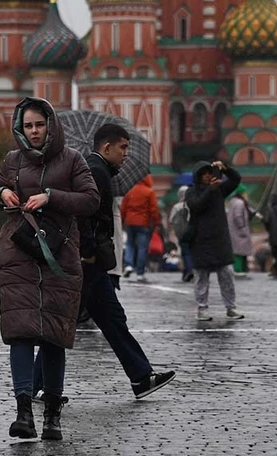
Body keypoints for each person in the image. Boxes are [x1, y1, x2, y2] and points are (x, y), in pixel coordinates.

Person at [33, 123, 175, 403]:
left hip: (94, 263)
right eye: (122, 147)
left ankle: (141, 377)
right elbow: (84, 214)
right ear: (106, 147)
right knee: (64, 323)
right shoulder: (96, 171)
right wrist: (87, 252)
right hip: (87, 261)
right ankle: (37, 386)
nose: (125, 153)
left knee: (112, 320)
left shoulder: (98, 170)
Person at [0, 97, 99, 441]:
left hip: (59, 256)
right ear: (20, 129)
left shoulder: (72, 159)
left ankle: (52, 414)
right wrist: (4, 192)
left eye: (39, 125)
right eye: (28, 126)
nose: (34, 132)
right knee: (20, 332)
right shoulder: (12, 160)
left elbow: (91, 199)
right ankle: (24, 411)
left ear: (51, 125)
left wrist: (51, 196)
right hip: (18, 253)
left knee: (53, 335)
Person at [185, 160, 244, 321]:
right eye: (203, 174)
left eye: (209, 172)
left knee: (227, 275)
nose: (206, 176)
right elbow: (196, 206)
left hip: (219, 240)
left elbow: (236, 180)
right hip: (200, 240)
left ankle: (231, 307)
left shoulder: (220, 190)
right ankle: (202, 308)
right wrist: (210, 190)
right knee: (201, 277)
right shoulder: (191, 192)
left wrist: (225, 169)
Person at [120, 175, 160, 281]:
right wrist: (156, 222)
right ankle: (140, 273)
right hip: (143, 222)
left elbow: (123, 207)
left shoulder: (130, 191)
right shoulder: (149, 192)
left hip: (130, 221)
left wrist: (122, 220)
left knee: (130, 244)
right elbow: (153, 209)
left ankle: (128, 265)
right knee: (142, 248)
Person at [227, 185, 256, 276]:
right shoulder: (240, 203)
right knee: (239, 251)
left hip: (234, 231)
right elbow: (238, 216)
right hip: (239, 232)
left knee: (237, 250)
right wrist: (243, 228)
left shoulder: (233, 201)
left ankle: (241, 269)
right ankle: (238, 270)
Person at [168, 186, 194, 281]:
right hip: (193, 230)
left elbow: (171, 220)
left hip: (182, 232)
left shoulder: (177, 206)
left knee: (185, 252)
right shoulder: (193, 204)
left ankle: (188, 271)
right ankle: (191, 270)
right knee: (192, 251)